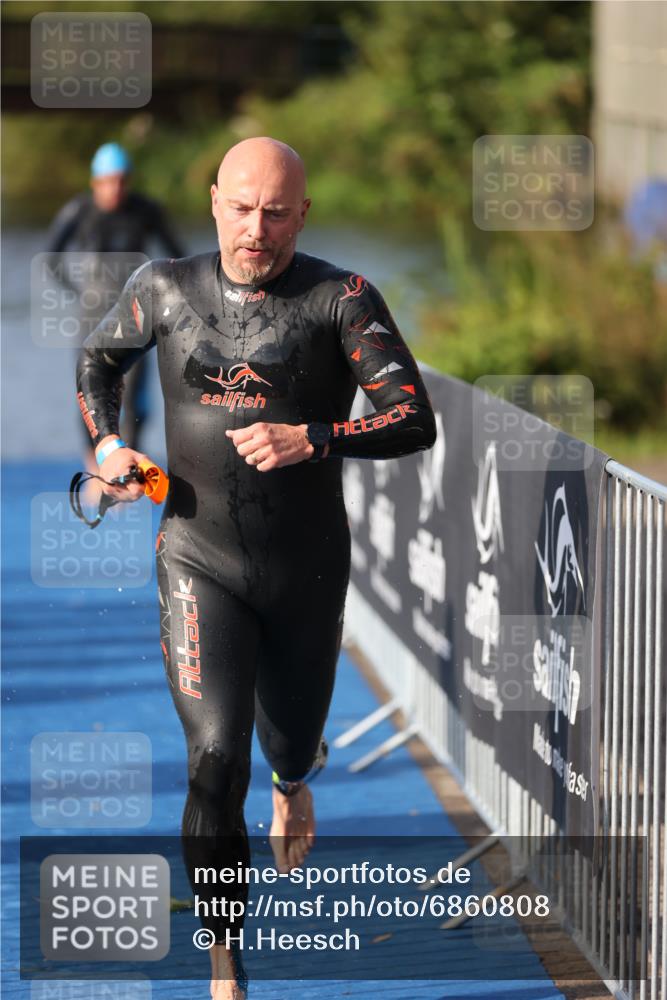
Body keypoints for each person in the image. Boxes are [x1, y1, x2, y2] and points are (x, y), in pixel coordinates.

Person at [75, 137, 437, 999]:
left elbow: (411, 416)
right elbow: (98, 361)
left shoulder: (341, 299)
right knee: (213, 760)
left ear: (302, 213)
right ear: (213, 202)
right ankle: (226, 962)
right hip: (197, 558)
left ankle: (294, 778)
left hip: (305, 567)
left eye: (276, 213)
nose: (256, 230)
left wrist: (315, 435)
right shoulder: (164, 288)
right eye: (241, 209)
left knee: (288, 742)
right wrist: (111, 446)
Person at [47, 142, 185, 457]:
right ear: (95, 182)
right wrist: (78, 292)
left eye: (122, 181)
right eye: (108, 182)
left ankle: (132, 460)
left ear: (129, 180)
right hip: (93, 311)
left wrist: (167, 297)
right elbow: (51, 258)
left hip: (135, 312)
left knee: (134, 392)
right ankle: (94, 462)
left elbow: (178, 257)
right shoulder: (79, 211)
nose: (116, 189)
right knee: (90, 389)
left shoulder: (145, 210)